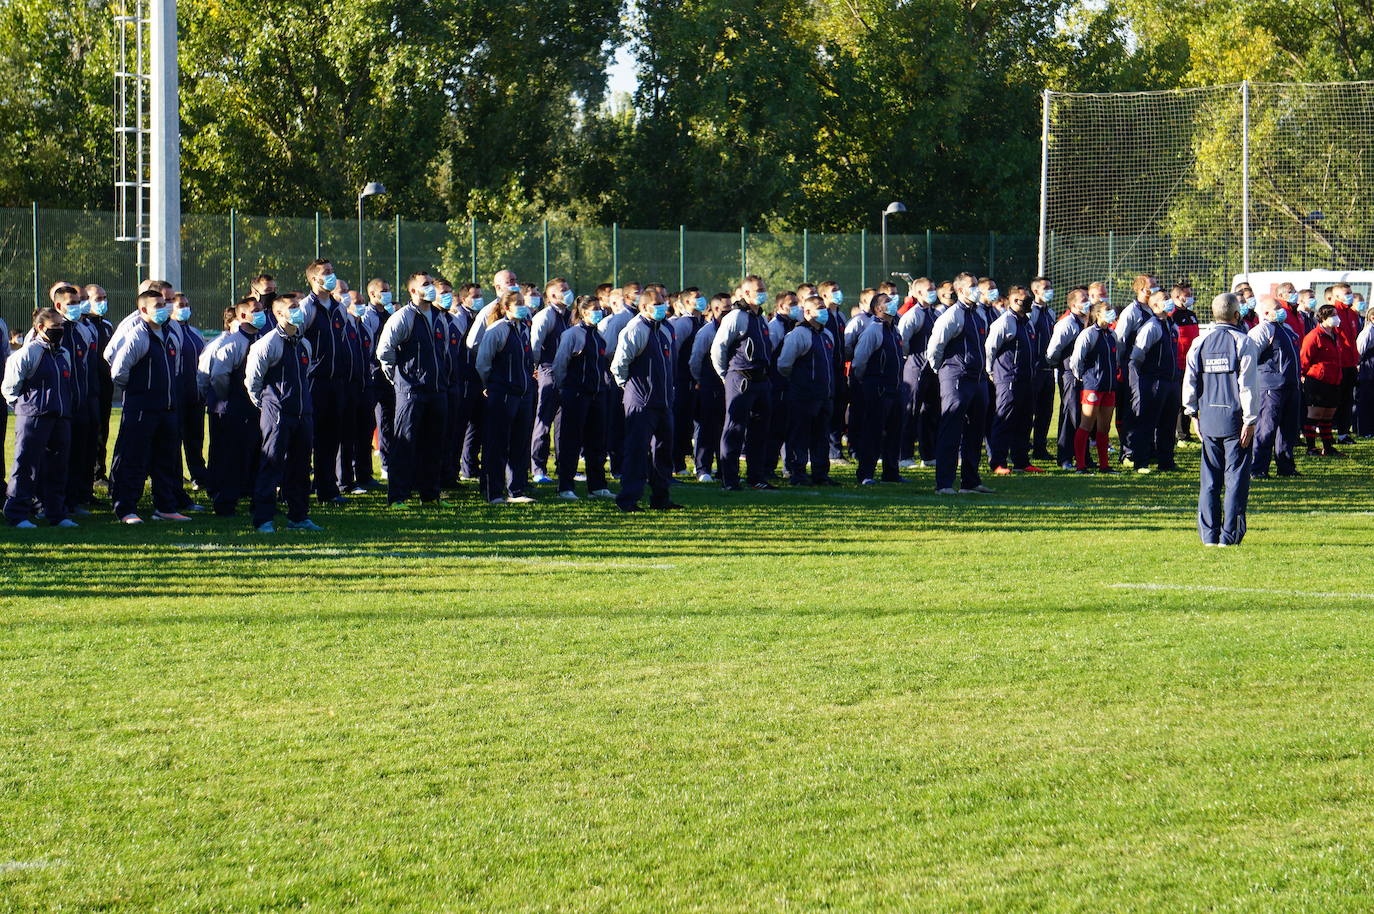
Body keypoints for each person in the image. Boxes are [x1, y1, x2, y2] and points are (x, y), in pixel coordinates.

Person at [105, 289, 190, 524]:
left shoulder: (171, 333)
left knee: (166, 460)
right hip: (141, 409)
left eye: (165, 303)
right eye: (158, 305)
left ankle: (165, 507)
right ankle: (125, 508)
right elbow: (119, 372)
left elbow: (175, 368)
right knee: (134, 459)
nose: (165, 308)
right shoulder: (137, 336)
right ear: (143, 310)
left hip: (168, 408)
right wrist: (141, 392)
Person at [1184, 292, 1259, 547]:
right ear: (1236, 315)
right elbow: (1247, 385)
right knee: (1235, 478)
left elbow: (1190, 381)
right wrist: (1250, 420)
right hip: (1235, 419)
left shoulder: (1200, 342)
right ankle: (1229, 536)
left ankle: (1209, 536)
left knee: (1210, 480)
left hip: (1208, 418)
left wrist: (1192, 413)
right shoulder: (1243, 341)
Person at [245, 293, 322, 533]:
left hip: (303, 414)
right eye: (293, 307)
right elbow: (253, 382)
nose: (299, 310)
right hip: (277, 415)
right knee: (272, 465)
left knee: (300, 467)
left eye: (299, 306)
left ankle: (298, 517)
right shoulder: (267, 344)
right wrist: (269, 405)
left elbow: (305, 375)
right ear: (279, 314)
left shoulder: (304, 343)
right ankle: (263, 519)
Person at [375, 271, 451, 508]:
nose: (430, 288)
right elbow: (384, 351)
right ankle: (398, 496)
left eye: (431, 283)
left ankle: (430, 495)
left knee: (434, 445)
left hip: (437, 391)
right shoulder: (403, 317)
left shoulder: (440, 317)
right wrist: (399, 377)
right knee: (405, 445)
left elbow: (445, 351)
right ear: (412, 291)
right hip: (411, 391)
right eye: (425, 284)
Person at [2, 308, 77, 528]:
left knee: (58, 467)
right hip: (33, 417)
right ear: (40, 328)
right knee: (25, 466)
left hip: (60, 417)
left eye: (61, 326)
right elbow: (9, 388)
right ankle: (17, 514)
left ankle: (55, 513)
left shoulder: (64, 353)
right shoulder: (27, 353)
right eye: (55, 327)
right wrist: (25, 407)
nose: (60, 330)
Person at [610, 289, 680, 512]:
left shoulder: (666, 329)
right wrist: (630, 388)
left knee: (663, 451)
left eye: (663, 302)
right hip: (641, 402)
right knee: (637, 452)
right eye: (657, 303)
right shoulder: (635, 329)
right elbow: (619, 365)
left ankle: (661, 498)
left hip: (663, 401)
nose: (662, 306)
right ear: (643, 307)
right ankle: (628, 500)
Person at [298, 260, 361, 506]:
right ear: (314, 279)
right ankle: (297, 489)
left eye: (333, 272)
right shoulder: (305, 308)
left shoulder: (338, 308)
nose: (332, 276)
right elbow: (294, 340)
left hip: (337, 383)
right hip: (314, 383)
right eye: (326, 273)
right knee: (305, 440)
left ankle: (327, 489)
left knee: (330, 438)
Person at [925, 272, 993, 495]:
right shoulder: (952, 315)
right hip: (957, 378)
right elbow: (935, 346)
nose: (977, 289)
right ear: (961, 290)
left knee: (976, 431)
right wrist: (943, 371)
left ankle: (970, 482)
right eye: (972, 286)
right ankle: (944, 484)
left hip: (978, 378)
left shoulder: (979, 314)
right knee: (951, 429)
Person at [711, 275, 776, 491]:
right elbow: (718, 348)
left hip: (761, 381)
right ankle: (729, 479)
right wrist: (726, 375)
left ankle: (756, 476)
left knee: (760, 431)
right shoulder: (736, 316)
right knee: (734, 429)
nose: (763, 292)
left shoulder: (760, 317)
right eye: (759, 289)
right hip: (741, 379)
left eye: (763, 288)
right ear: (746, 293)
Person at [476, 291, 537, 505]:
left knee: (520, 444)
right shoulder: (497, 330)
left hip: (523, 394)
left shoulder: (524, 329)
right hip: (502, 394)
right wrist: (490, 385)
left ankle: (516, 490)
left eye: (523, 303)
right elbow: (483, 363)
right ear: (506, 308)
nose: (523, 306)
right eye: (518, 303)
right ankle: (494, 492)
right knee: (497, 444)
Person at [204, 298, 264, 515]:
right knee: (231, 458)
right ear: (242, 316)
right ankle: (225, 503)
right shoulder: (232, 343)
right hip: (233, 409)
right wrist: (228, 398)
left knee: (255, 455)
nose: (260, 313)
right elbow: (219, 376)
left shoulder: (261, 339)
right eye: (255, 311)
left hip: (254, 409)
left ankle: (255, 499)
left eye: (261, 310)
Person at [551, 296, 613, 499]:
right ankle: (565, 487)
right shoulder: (572, 334)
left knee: (597, 442)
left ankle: (597, 486)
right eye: (594, 309)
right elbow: (560, 364)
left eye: (599, 308)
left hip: (597, 395)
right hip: (575, 395)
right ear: (584, 312)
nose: (599, 311)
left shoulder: (599, 335)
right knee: (571, 441)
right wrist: (564, 389)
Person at [776, 294, 838, 486]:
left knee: (821, 437)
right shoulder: (799, 334)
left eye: (823, 307)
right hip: (803, 396)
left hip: (824, 396)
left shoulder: (827, 334)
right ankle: (798, 474)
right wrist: (801, 384)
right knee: (800, 436)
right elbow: (784, 364)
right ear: (807, 312)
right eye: (819, 307)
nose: (823, 311)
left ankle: (821, 474)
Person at [984, 285, 1041, 475]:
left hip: (1026, 378)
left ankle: (1021, 461)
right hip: (1008, 378)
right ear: (1015, 300)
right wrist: (990, 372)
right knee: (1005, 419)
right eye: (1026, 298)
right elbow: (990, 348)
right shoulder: (1005, 322)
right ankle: (998, 462)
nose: (1030, 301)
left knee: (1025, 420)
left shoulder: (1027, 321)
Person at [850, 292, 905, 485]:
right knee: (873, 432)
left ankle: (891, 472)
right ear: (878, 309)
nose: (892, 304)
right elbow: (859, 361)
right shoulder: (873, 330)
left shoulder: (894, 329)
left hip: (895, 388)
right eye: (887, 302)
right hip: (878, 389)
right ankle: (866, 474)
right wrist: (868, 383)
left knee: (894, 432)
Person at [1126, 289, 1182, 474]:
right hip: (1154, 382)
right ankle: (1140, 462)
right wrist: (1144, 380)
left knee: (1168, 424)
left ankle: (1166, 461)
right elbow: (1137, 357)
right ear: (1155, 305)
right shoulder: (1151, 327)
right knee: (1147, 423)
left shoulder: (1171, 325)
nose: (1169, 301)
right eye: (1165, 299)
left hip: (1171, 382)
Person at [1248, 294, 1301, 478]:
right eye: (1277, 308)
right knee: (1267, 428)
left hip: (1291, 386)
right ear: (1266, 312)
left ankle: (1286, 467)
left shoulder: (1286, 328)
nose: (1282, 311)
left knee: (1288, 430)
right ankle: (1258, 469)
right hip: (1271, 387)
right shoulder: (1261, 330)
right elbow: (1249, 357)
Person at [1069, 298, 1119, 474]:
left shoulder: (1112, 335)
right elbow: (1076, 360)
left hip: (1110, 387)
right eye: (1108, 310)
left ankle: (1104, 465)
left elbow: (1116, 359)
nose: (1112, 312)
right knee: (1086, 425)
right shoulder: (1088, 334)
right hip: (1093, 387)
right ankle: (1080, 465)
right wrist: (1083, 378)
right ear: (1098, 314)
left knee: (1104, 427)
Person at [529, 277, 572, 484]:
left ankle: (563, 468)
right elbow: (534, 346)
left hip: (565, 376)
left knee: (563, 425)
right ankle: (538, 469)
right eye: (563, 289)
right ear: (552, 295)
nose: (568, 292)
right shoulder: (545, 316)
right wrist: (535, 369)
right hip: (548, 374)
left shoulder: (567, 316)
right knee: (543, 423)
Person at [1113, 273, 1159, 463]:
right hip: (1133, 368)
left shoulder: (1154, 310)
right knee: (1133, 410)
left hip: (1151, 369)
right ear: (1142, 290)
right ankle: (1128, 451)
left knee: (1149, 410)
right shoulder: (1131, 312)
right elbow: (1120, 341)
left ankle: (1148, 449)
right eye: (1152, 286)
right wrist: (1122, 366)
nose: (1156, 288)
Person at [1047, 288, 1092, 469]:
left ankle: (1083, 457)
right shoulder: (1066, 324)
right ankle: (1065, 458)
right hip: (1070, 376)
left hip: (1086, 376)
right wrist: (1064, 368)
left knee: (1085, 417)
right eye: (1083, 299)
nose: (1087, 301)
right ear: (1073, 305)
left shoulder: (1088, 322)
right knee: (1070, 415)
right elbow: (1052, 352)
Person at [169, 293, 209, 496]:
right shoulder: (170, 333)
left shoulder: (195, 333)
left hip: (196, 395)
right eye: (180, 305)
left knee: (195, 437)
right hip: (177, 395)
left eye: (186, 304)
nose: (184, 308)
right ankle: (175, 477)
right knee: (174, 438)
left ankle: (199, 476)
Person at [897, 278, 940, 468]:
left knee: (929, 412)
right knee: (910, 412)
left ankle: (928, 455)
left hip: (931, 370)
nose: (933, 292)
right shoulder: (913, 315)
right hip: (915, 367)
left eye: (934, 288)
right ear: (918, 293)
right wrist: (912, 360)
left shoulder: (934, 313)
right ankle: (904, 456)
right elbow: (902, 341)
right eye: (929, 290)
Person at [339, 289, 377, 493]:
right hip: (347, 387)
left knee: (365, 430)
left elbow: (369, 354)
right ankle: (344, 480)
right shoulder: (342, 325)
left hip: (364, 386)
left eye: (362, 301)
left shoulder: (364, 327)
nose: (360, 305)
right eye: (356, 301)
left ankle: (364, 474)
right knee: (346, 435)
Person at [689, 293, 730, 482]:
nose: (730, 312)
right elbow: (695, 360)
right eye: (725, 309)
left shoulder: (734, 329)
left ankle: (725, 469)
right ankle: (703, 469)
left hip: (729, 387)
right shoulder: (706, 332)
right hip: (709, 386)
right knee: (707, 429)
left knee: (726, 429)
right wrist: (701, 380)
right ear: (714, 310)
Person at [1300, 303, 1347, 457]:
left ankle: (1328, 447)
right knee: (1315, 414)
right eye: (1333, 315)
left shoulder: (1335, 335)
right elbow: (1304, 358)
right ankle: (1311, 448)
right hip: (1317, 380)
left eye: (1336, 314)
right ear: (1324, 318)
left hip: (1333, 380)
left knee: (1328, 414)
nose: (1336, 318)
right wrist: (1302, 375)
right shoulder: (1314, 336)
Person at [668, 289, 706, 476]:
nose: (701, 300)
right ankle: (677, 464)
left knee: (696, 425)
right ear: (686, 303)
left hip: (697, 381)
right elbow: (673, 351)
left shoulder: (702, 322)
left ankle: (700, 465)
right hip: (682, 381)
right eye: (696, 298)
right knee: (680, 424)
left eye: (701, 296)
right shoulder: (684, 323)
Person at [451, 282, 485, 482]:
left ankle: (470, 466)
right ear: (464, 299)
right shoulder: (459, 318)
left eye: (480, 295)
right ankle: (453, 470)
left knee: (477, 425)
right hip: (462, 378)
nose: (479, 299)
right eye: (475, 296)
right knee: (459, 426)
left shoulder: (479, 317)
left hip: (478, 378)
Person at [82, 284, 115, 487]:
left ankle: (99, 471)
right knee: (89, 430)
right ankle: (89, 474)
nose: (103, 302)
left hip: (105, 384)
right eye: (98, 298)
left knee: (103, 428)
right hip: (88, 385)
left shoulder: (107, 325)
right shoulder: (84, 326)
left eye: (104, 297)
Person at [363, 278, 396, 480]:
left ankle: (387, 464)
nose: (387, 294)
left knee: (388, 421)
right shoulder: (368, 316)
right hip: (372, 376)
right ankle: (363, 469)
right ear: (373, 294)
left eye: (389, 290)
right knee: (368, 423)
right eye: (383, 291)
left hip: (388, 377)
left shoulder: (391, 314)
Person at [1027, 277, 1057, 462]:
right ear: (1036, 291)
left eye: (1051, 287)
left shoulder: (1050, 313)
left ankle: (1040, 448)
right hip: (1033, 370)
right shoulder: (1031, 312)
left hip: (1048, 371)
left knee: (1045, 412)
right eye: (1046, 288)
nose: (1050, 291)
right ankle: (1021, 448)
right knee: (1028, 411)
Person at [1329, 282, 1360, 443]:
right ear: (1336, 296)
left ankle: (1343, 433)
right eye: (1346, 293)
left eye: (1350, 292)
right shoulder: (1334, 313)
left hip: (1350, 364)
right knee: (1335, 400)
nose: (1350, 295)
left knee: (1348, 399)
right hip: (1338, 365)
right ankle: (1327, 434)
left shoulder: (1352, 313)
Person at [1170, 282, 1199, 444]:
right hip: (1179, 364)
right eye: (1186, 295)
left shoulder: (1191, 314)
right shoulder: (1172, 315)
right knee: (1179, 400)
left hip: (1192, 363)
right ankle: (1180, 434)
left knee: (1190, 398)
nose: (1189, 297)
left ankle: (1186, 433)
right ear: (1176, 297)